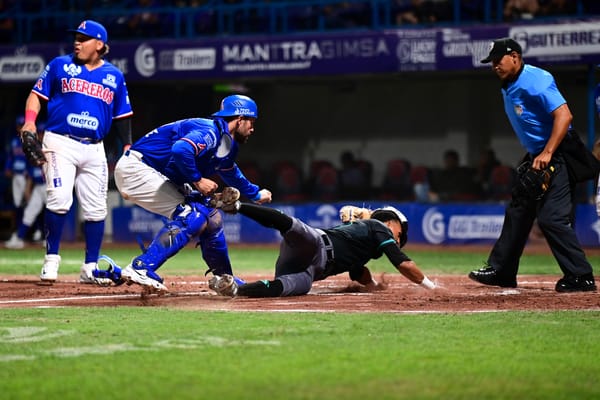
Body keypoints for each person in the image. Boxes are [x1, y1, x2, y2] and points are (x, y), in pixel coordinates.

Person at [108, 94, 272, 293]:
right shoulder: (210, 131)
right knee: (190, 215)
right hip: (137, 168)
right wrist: (198, 180)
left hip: (154, 172)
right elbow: (181, 150)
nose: (252, 128)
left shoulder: (225, 142)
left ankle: (224, 279)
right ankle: (141, 267)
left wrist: (254, 194)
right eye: (251, 122)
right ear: (239, 119)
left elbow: (229, 171)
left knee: (212, 218)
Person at [469, 37, 596, 292]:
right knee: (519, 210)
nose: (494, 66)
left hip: (558, 153)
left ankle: (581, 276)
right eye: (491, 62)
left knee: (551, 219)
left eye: (498, 60)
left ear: (515, 56)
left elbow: (564, 115)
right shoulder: (509, 83)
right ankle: (502, 271)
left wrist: (548, 152)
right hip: (538, 154)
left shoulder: (536, 79)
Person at [21, 20, 134, 284]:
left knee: (96, 210)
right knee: (59, 199)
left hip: (95, 148)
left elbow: (123, 116)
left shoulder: (114, 76)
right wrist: (29, 121)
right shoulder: (60, 65)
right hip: (60, 142)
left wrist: (127, 146)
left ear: (100, 44)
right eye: (76, 37)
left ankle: (90, 267)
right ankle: (51, 259)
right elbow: (36, 95)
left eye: (84, 38)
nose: (77, 42)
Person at [208, 198, 437, 297]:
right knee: (294, 226)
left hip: (311, 270)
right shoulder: (379, 227)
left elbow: (357, 271)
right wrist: (432, 287)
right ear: (391, 222)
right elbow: (403, 263)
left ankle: (236, 290)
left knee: (294, 286)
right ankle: (236, 206)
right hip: (317, 244)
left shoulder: (367, 241)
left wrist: (374, 286)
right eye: (400, 233)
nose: (399, 239)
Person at [4, 116, 28, 224]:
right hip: (16, 175)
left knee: (30, 203)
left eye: (22, 125)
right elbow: (10, 156)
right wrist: (7, 168)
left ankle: (36, 230)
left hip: (26, 176)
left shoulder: (30, 140)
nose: (20, 127)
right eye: (19, 125)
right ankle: (18, 230)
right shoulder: (14, 141)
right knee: (17, 203)